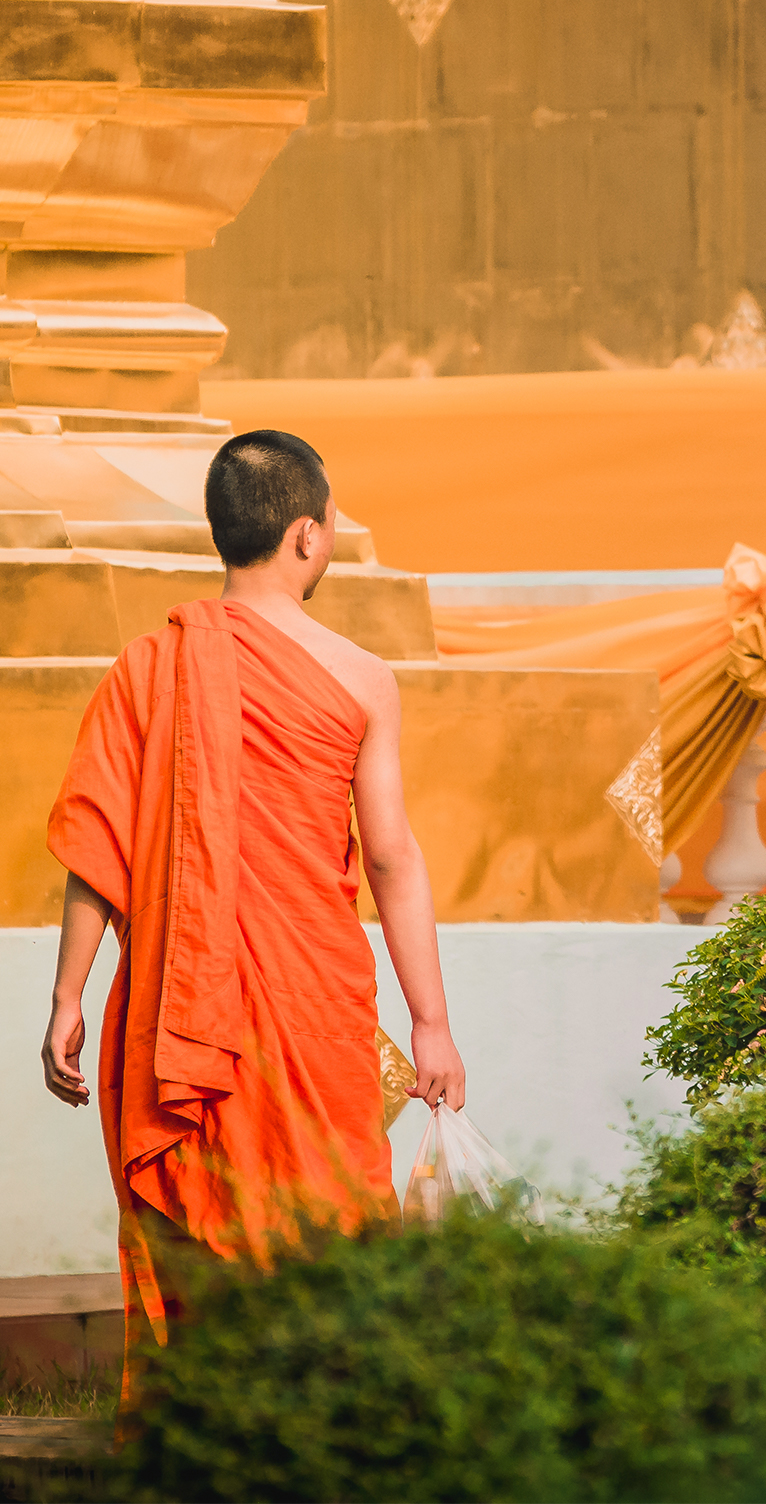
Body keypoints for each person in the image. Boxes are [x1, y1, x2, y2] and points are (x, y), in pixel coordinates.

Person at [40, 429, 465, 1393]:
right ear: (308, 537)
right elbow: (393, 856)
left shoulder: (148, 665)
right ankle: (329, 1438)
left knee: (203, 1225)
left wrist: (67, 997)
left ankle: (208, 1444)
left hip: (179, 1010)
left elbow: (98, 850)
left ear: (223, 531)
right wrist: (431, 1025)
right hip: (314, 1009)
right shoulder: (361, 678)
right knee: (330, 1218)